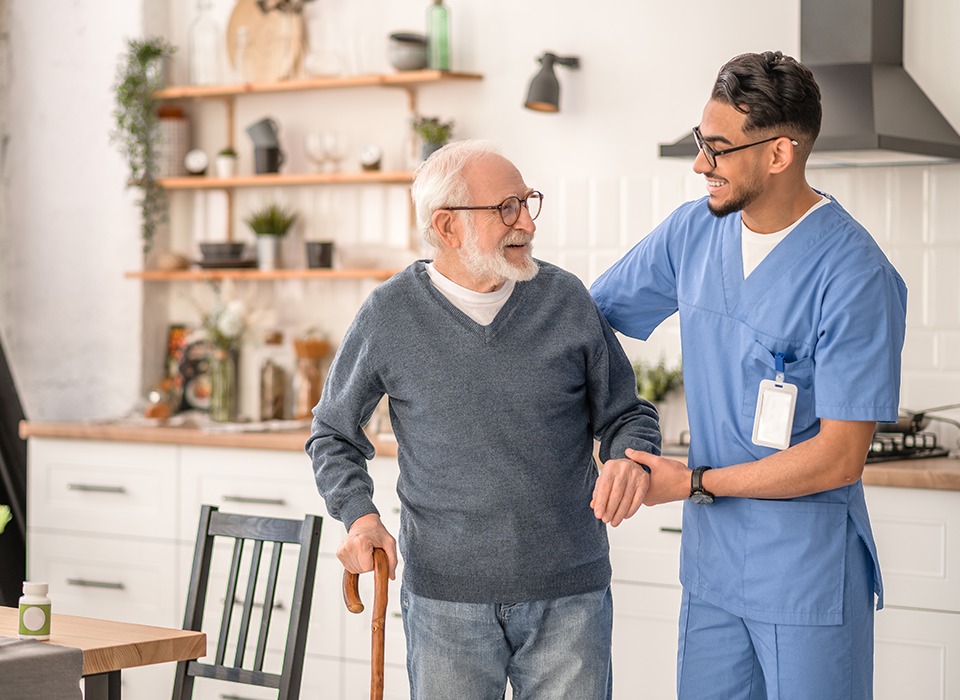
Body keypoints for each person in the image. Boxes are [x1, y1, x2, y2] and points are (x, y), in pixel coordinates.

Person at [591, 51, 907, 700]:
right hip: (713, 574)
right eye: (700, 143)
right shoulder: (691, 235)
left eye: (718, 148)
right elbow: (587, 321)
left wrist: (696, 481)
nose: (701, 164)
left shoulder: (854, 274)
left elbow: (840, 458)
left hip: (805, 575)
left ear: (779, 154)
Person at [306, 139, 661, 700]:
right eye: (506, 208)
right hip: (445, 600)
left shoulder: (565, 299)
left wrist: (628, 458)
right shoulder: (389, 314)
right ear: (447, 227)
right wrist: (358, 515)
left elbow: (627, 414)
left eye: (527, 202)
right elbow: (332, 434)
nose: (527, 223)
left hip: (570, 593)